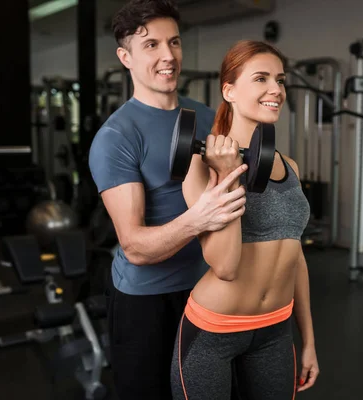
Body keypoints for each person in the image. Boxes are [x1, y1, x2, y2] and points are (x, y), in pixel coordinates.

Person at [87, 1, 248, 399]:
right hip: (147, 301)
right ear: (125, 57)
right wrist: (200, 218)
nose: (167, 56)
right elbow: (135, 246)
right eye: (151, 45)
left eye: (174, 42)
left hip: (208, 288)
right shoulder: (117, 137)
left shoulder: (206, 114)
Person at [171, 40, 320, 400]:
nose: (276, 90)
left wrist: (309, 340)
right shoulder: (200, 164)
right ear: (230, 90)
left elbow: (295, 257)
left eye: (280, 80)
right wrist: (226, 176)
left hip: (275, 331)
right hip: (213, 332)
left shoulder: (291, 167)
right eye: (262, 79)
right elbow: (224, 265)